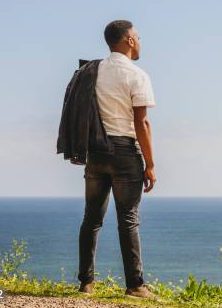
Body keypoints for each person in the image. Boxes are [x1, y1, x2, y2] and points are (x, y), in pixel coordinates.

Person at [77, 20, 156, 298]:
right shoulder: (137, 75)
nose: (139, 40)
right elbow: (141, 122)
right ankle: (135, 286)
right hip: (124, 153)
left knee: (92, 218)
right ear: (129, 41)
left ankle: (86, 284)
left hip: (96, 152)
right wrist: (151, 164)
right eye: (137, 35)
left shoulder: (91, 71)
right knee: (128, 220)